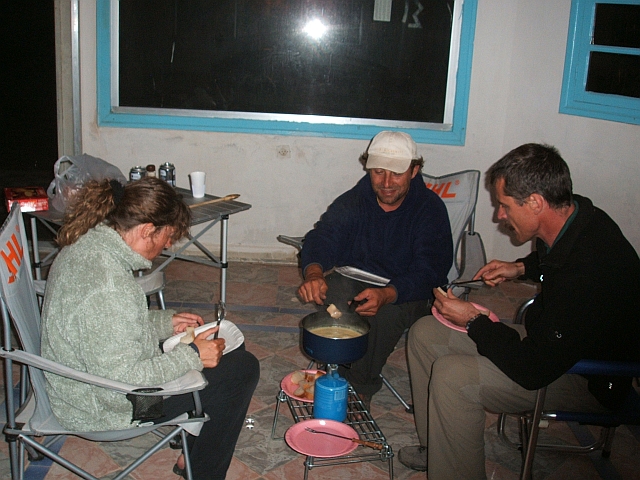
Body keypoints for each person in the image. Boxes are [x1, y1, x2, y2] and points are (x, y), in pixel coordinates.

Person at [398, 143, 640, 479]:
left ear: (536, 203)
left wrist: (472, 320)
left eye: (505, 206)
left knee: (454, 378)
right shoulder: (575, 215)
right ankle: (438, 448)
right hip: (554, 344)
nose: (499, 215)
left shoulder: (589, 271)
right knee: (426, 333)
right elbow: (553, 259)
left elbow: (531, 370)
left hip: (586, 377)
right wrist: (518, 268)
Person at [40, 177, 260, 479]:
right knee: (241, 369)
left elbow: (103, 328)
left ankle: (193, 454)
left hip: (83, 383)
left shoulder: (89, 244)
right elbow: (125, 378)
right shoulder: (108, 284)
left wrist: (163, 323)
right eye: (167, 237)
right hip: (106, 407)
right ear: (146, 231)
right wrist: (193, 356)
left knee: (226, 352)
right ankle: (204, 471)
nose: (167, 245)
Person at [298, 130, 453, 404]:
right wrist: (313, 272)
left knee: (382, 318)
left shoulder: (430, 209)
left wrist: (388, 293)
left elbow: (432, 270)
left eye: (396, 173)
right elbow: (323, 236)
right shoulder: (354, 201)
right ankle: (334, 372)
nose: (386, 182)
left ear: (414, 170)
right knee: (333, 300)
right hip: (356, 277)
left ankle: (359, 389)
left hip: (407, 289)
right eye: (378, 172)